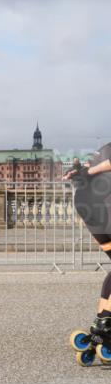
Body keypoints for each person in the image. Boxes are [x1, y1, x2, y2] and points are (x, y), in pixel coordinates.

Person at [64, 143, 111, 365]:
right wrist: (86, 172)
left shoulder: (105, 147)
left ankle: (100, 324)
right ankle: (105, 324)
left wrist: (82, 172)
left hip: (87, 204)